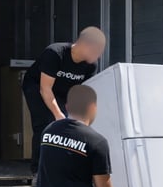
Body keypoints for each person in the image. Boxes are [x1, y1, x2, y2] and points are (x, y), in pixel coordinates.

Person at [22, 27, 106, 174]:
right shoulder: (55, 53)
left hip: (63, 92)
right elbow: (45, 89)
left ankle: (62, 170)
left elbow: (82, 93)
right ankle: (38, 172)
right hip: (38, 87)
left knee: (68, 128)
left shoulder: (90, 66)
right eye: (95, 51)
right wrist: (58, 114)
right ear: (83, 44)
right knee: (46, 124)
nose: (98, 56)